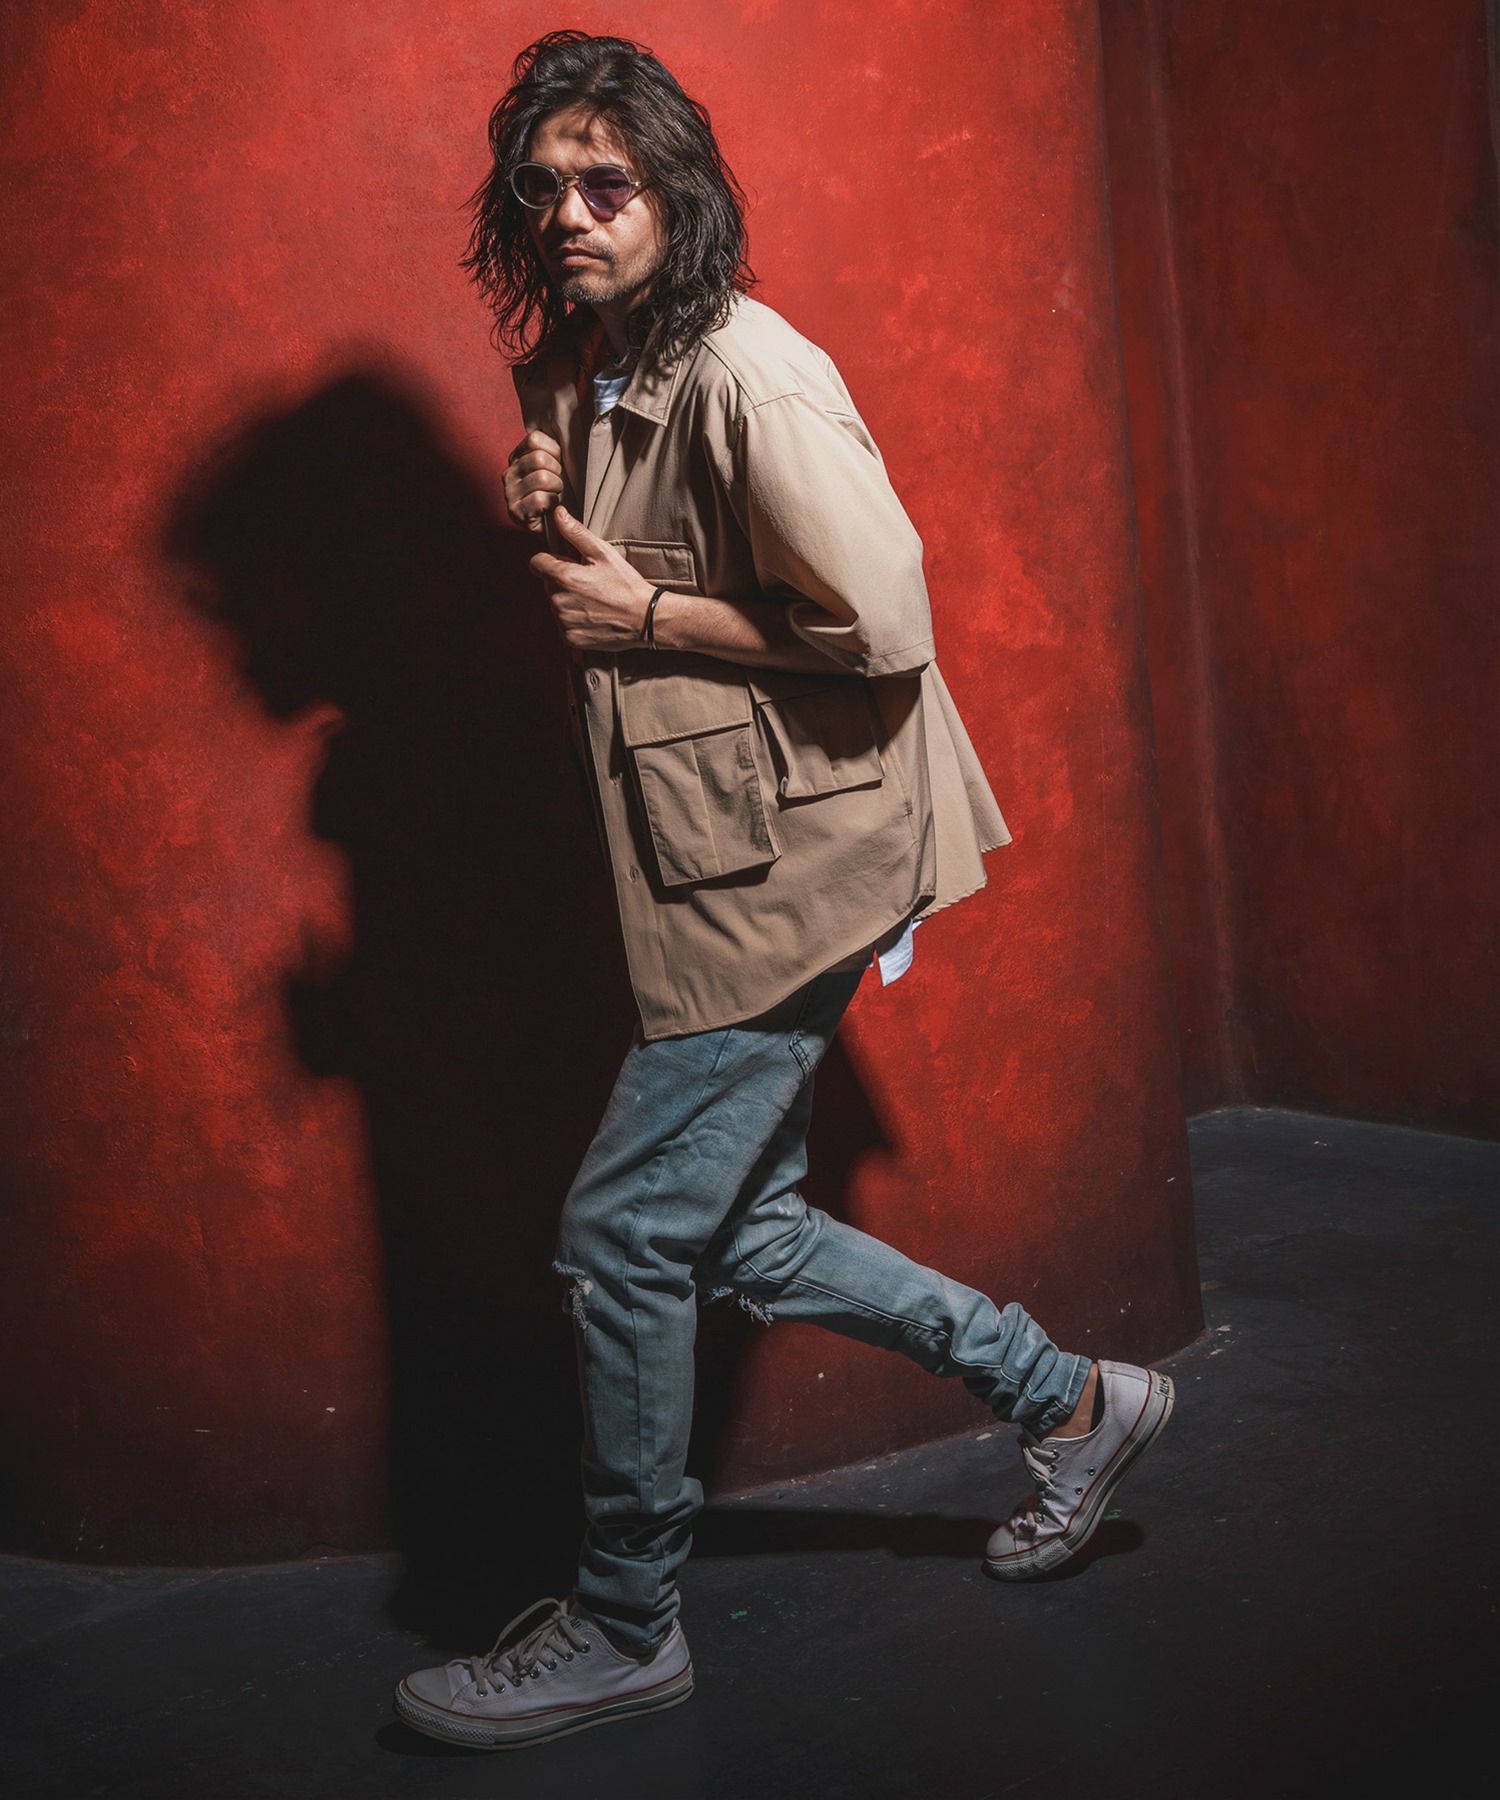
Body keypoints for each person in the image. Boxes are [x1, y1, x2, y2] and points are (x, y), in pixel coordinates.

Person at [394, 29, 1174, 1753]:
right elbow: (611, 495)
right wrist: (544, 467)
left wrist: (642, 616)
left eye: (608, 184)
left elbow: (885, 626)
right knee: (736, 1229)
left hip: (799, 866)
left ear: (677, 194)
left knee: (623, 1236)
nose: (572, 215)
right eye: (545, 189)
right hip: (720, 854)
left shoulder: (754, 373)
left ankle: (625, 1624)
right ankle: (1072, 1403)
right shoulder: (599, 355)